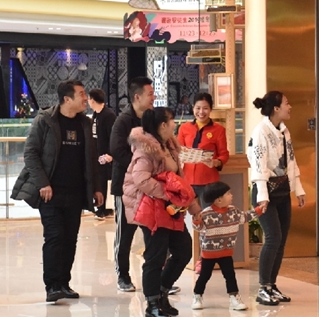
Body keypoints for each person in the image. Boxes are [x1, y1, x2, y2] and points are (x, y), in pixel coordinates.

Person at [11, 79, 104, 302]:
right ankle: (52, 286)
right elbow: (31, 154)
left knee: (70, 239)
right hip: (50, 192)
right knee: (54, 237)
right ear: (67, 99)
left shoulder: (85, 122)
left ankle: (64, 283)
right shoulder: (45, 120)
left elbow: (91, 158)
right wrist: (43, 183)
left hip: (76, 192)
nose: (85, 98)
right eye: (81, 94)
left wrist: (97, 187)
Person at [123, 107, 201, 317]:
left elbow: (179, 181)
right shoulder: (145, 149)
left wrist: (193, 206)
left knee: (183, 250)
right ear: (163, 125)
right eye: (172, 120)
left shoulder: (169, 146)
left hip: (169, 210)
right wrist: (168, 194)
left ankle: (162, 291)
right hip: (151, 210)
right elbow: (141, 180)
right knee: (155, 257)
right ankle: (152, 304)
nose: (175, 124)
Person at [247, 91, 306, 306]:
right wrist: (263, 197)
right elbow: (259, 166)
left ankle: (271, 285)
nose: (290, 107)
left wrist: (298, 189)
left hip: (281, 190)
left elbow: (291, 161)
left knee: (281, 240)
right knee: (273, 237)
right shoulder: (261, 132)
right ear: (276, 108)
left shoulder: (284, 130)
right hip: (264, 192)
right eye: (287, 103)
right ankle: (263, 288)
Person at [110, 77, 155, 292]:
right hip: (126, 186)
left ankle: (155, 276)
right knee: (125, 233)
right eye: (150, 94)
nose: (153, 97)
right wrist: (139, 168)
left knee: (153, 233)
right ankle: (123, 276)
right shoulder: (123, 121)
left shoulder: (150, 119)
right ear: (137, 97)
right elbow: (116, 150)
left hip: (148, 186)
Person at [191, 181, 263, 311]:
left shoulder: (233, 211)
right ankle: (197, 295)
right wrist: (197, 220)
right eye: (228, 193)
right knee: (204, 276)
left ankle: (234, 297)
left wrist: (259, 210)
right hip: (209, 253)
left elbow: (244, 217)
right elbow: (198, 228)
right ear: (219, 199)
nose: (231, 195)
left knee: (230, 275)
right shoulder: (206, 214)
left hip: (226, 252)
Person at [177, 92, 229, 207]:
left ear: (211, 109)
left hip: (209, 181)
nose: (201, 112)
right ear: (193, 108)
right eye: (198, 108)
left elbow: (224, 154)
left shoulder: (219, 129)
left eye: (205, 108)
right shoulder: (184, 128)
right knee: (184, 214)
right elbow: (178, 151)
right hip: (187, 179)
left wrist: (216, 162)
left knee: (208, 214)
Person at [88, 88, 117, 219]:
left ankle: (103, 209)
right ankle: (103, 208)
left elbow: (113, 136)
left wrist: (110, 154)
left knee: (104, 181)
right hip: (97, 154)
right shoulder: (96, 115)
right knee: (99, 180)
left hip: (106, 155)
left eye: (89, 99)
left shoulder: (108, 115)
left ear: (93, 100)